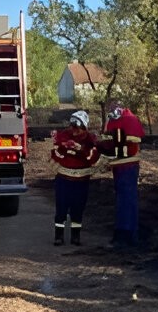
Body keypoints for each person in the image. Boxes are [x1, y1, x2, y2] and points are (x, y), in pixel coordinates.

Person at [99, 100, 145, 247]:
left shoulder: (130, 120)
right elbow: (111, 142)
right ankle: (122, 232)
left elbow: (127, 147)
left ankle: (128, 234)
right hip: (119, 167)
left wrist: (106, 149)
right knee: (122, 200)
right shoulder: (114, 121)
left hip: (128, 167)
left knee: (127, 200)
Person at [50, 111, 100, 245]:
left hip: (81, 181)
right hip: (63, 180)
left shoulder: (89, 140)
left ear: (84, 127)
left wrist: (80, 149)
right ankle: (58, 236)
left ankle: (75, 236)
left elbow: (92, 158)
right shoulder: (64, 136)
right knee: (61, 208)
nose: (74, 130)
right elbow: (55, 154)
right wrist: (64, 148)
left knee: (78, 209)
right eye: (72, 126)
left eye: (77, 127)